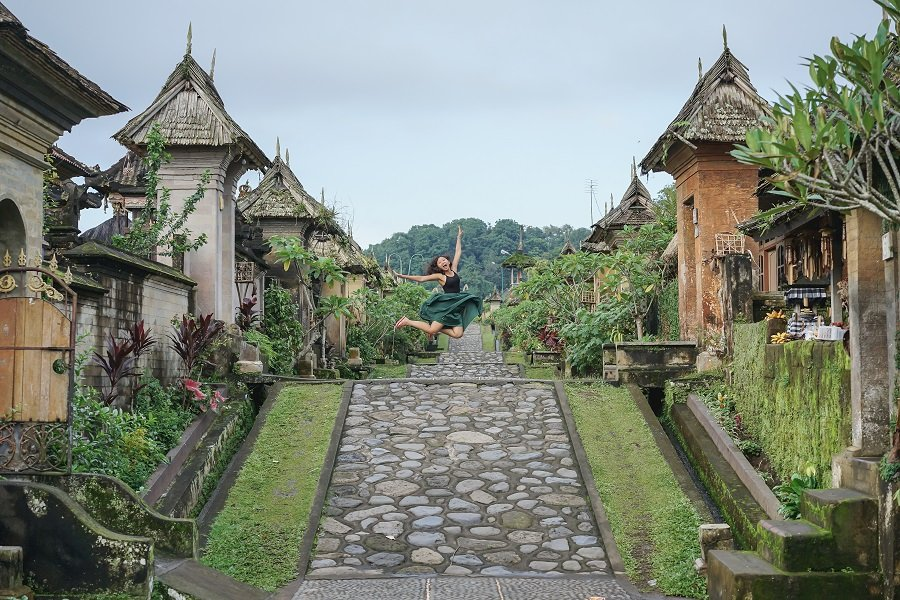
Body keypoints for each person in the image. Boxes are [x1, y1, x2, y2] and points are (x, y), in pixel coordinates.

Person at [394, 225, 483, 339]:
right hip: (446, 306)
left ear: (448, 261)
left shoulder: (454, 269)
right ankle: (408, 321)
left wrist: (459, 237)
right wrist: (402, 275)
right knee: (432, 330)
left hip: (456, 304)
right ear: (439, 267)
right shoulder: (440, 276)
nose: (443, 262)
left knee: (458, 334)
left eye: (444, 260)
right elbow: (422, 279)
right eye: (440, 263)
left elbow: (458, 252)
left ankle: (435, 327)